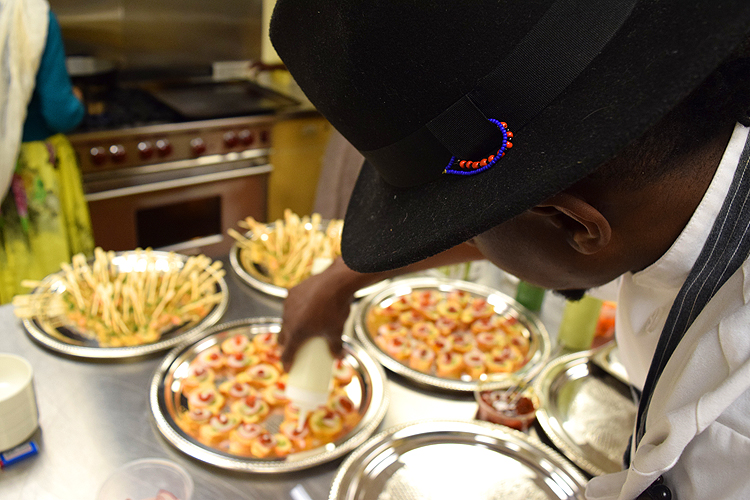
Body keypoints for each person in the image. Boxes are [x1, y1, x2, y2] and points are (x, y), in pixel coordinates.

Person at [270, 1, 750, 499]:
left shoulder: (730, 428)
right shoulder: (661, 199)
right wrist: (342, 279)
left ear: (573, 223)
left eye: (468, 229)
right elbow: (542, 239)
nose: (460, 244)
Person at [0, 0, 93, 303]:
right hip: (30, 169)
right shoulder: (30, 14)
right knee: (48, 289)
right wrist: (77, 101)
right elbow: (60, 113)